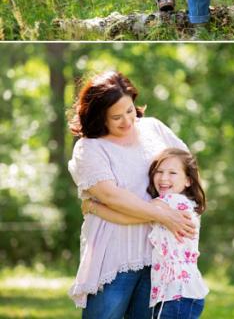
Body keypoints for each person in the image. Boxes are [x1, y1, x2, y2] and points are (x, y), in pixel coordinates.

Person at [68, 70, 195, 317]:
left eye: (129, 110)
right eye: (116, 117)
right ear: (98, 117)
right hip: (114, 255)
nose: (127, 121)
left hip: (159, 254)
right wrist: (161, 214)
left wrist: (174, 214)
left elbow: (186, 168)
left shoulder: (153, 128)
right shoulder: (90, 148)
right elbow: (111, 196)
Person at [87, 147, 209, 319]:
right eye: (159, 171)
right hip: (183, 292)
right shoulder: (184, 203)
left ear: (188, 180)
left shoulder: (168, 202)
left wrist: (91, 206)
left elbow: (126, 216)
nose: (164, 178)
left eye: (172, 173)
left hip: (175, 295)